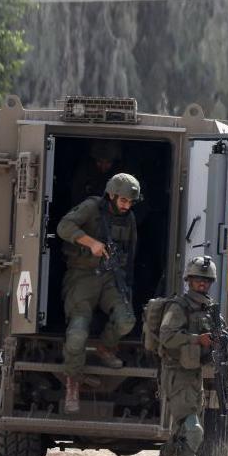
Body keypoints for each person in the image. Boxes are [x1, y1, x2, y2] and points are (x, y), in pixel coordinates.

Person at [143, 256, 228, 456]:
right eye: (198, 280)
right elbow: (167, 336)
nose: (202, 284)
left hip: (194, 373)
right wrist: (196, 339)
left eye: (206, 281)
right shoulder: (179, 307)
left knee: (183, 428)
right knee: (193, 428)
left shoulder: (208, 306)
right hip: (177, 373)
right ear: (189, 280)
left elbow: (223, 328)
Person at [56, 173, 140, 413]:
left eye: (130, 202)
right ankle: (72, 383)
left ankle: (105, 347)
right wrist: (90, 242)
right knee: (77, 333)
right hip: (81, 277)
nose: (127, 206)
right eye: (123, 200)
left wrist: (127, 282)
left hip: (111, 278)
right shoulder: (92, 207)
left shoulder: (129, 218)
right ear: (112, 195)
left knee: (126, 321)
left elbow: (131, 251)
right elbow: (64, 227)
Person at [71, 141, 122, 205]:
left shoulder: (120, 175)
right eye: (99, 161)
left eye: (108, 162)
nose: (103, 167)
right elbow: (77, 194)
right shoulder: (85, 171)